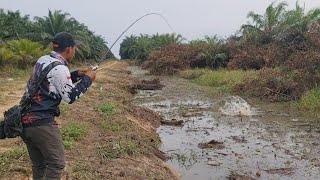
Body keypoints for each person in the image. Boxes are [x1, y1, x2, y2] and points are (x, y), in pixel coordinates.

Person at [20, 32, 96, 180]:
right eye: (74, 49)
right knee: (56, 163)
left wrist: (77, 74)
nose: (74, 51)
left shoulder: (43, 60)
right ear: (69, 49)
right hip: (41, 123)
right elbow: (70, 97)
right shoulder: (60, 68)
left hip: (26, 120)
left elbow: (51, 81)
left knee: (40, 165)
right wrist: (88, 79)